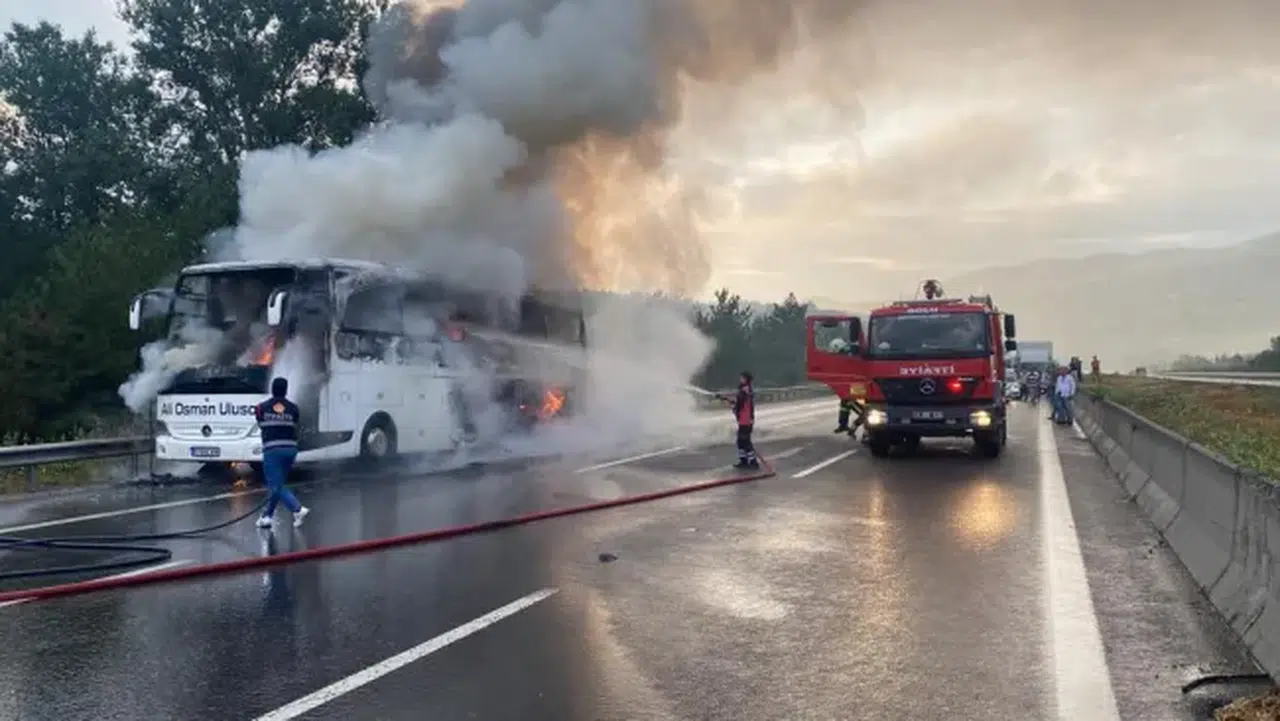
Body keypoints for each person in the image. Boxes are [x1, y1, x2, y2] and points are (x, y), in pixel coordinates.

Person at [254, 377, 310, 529]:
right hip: (291, 450)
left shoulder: (261, 408)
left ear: (272, 389)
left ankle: (297, 509)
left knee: (276, 486)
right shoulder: (294, 408)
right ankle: (267, 517)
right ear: (286, 390)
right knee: (278, 485)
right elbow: (296, 424)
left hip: (272, 450)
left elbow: (260, 422)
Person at [732, 371, 759, 469]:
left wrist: (735, 409)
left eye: (742, 378)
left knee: (745, 441)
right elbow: (743, 403)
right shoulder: (747, 390)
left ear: (746, 379)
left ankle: (753, 462)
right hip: (746, 419)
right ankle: (744, 461)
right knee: (741, 441)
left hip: (745, 420)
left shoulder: (744, 390)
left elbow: (740, 404)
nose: (740, 379)